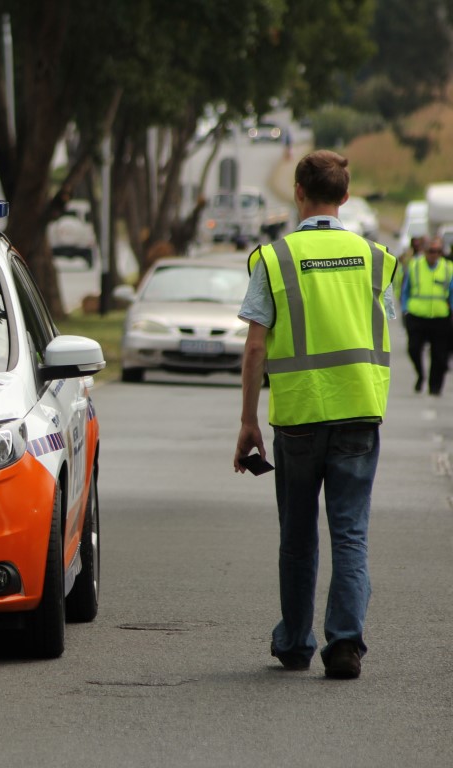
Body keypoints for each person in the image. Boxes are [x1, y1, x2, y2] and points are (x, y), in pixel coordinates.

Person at [233, 150, 397, 680]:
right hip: (358, 413)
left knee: (298, 536)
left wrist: (248, 421)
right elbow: (383, 321)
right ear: (345, 196)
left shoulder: (274, 259)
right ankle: (345, 642)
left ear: (298, 192)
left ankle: (296, 641)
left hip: (299, 417)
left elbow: (255, 346)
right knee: (350, 534)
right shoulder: (376, 258)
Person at [399, 236, 453, 395]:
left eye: (438, 251)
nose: (434, 254)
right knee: (413, 349)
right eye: (431, 251)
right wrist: (405, 309)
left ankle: (435, 387)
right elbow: (405, 289)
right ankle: (420, 374)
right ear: (425, 251)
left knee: (440, 355)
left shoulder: (448, 268)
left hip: (440, 317)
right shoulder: (414, 266)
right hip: (417, 315)